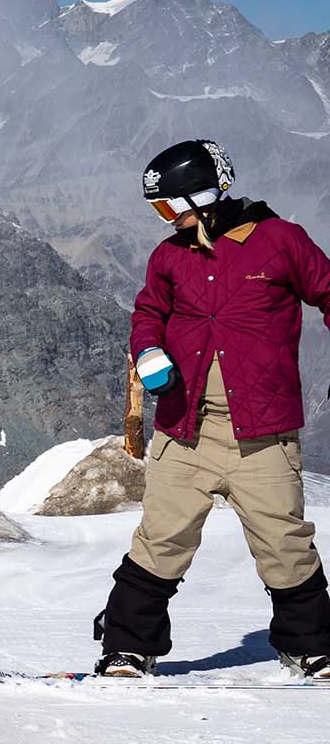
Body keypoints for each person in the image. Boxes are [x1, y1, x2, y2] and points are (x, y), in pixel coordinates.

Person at [95, 139, 330, 677]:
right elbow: (147, 312)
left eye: (167, 206)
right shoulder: (169, 256)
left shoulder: (281, 242)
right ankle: (127, 649)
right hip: (185, 431)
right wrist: (148, 348)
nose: (164, 218)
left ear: (200, 196)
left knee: (285, 544)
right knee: (160, 540)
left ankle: (312, 646)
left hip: (264, 435)